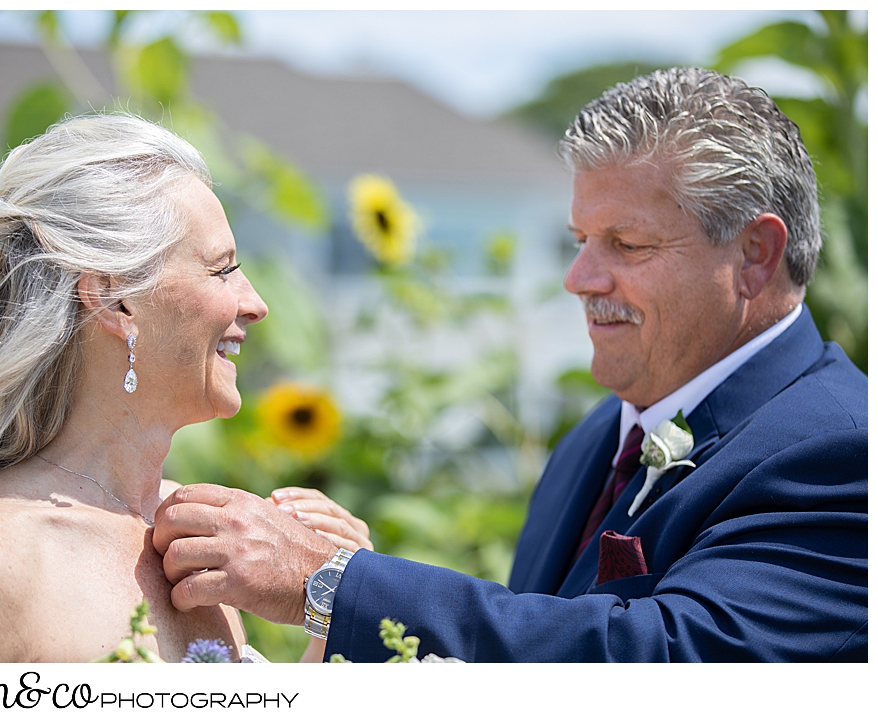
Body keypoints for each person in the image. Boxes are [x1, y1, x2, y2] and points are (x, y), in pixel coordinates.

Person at [151, 68, 867, 662]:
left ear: (754, 256)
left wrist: (330, 580)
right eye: (581, 238)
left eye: (627, 244)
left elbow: (665, 660)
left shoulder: (842, 454)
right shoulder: (596, 438)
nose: (580, 276)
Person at [0, 114, 370, 663]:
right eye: (222, 270)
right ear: (117, 301)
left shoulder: (201, 530)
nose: (256, 304)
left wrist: (339, 611)